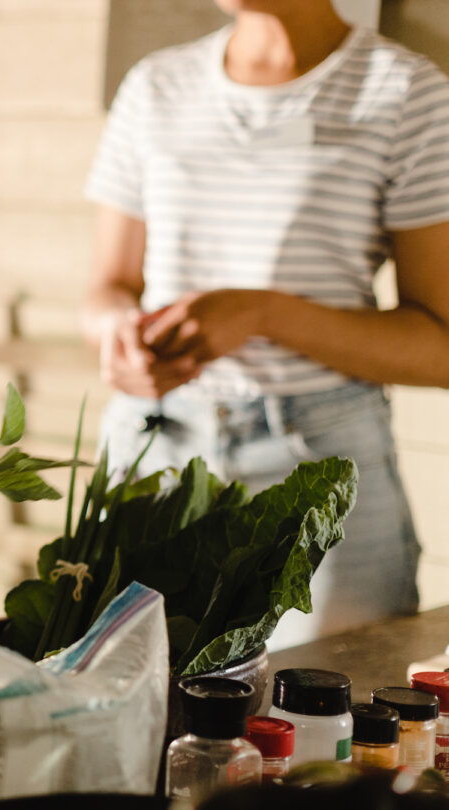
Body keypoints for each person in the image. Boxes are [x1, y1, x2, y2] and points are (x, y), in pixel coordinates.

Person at [81, 0, 449, 649]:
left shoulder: (408, 94)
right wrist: (117, 338)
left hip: (321, 468)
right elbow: (108, 288)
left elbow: (439, 347)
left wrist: (261, 313)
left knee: (326, 733)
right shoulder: (155, 85)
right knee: (132, 723)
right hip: (154, 450)